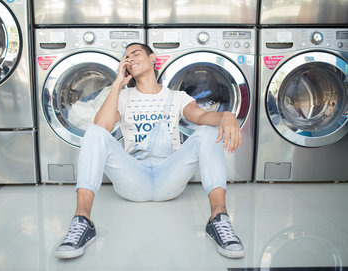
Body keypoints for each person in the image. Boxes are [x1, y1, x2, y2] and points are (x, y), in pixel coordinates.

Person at [55, 43, 245, 259]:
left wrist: (226, 116)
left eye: (135, 53)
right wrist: (117, 84)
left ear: (153, 58)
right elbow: (103, 127)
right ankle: (82, 220)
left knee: (208, 131)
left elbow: (201, 117)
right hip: (133, 178)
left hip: (169, 176)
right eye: (126, 57)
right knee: (94, 132)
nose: (130, 59)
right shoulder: (123, 97)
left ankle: (218, 218)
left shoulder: (177, 96)